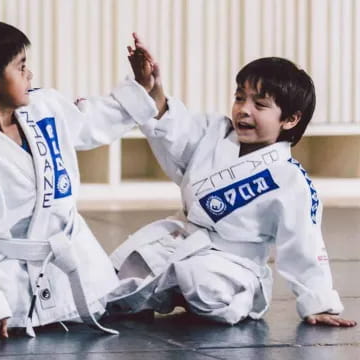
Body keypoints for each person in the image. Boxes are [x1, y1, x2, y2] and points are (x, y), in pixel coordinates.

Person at [0, 21, 159, 342]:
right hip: (11, 265)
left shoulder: (44, 106)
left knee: (107, 295)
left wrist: (139, 84)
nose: (31, 75)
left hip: (72, 254)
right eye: (21, 67)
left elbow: (88, 120)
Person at [107, 34, 357, 327]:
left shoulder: (290, 179)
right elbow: (173, 130)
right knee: (109, 284)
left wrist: (318, 302)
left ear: (290, 119)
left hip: (232, 263)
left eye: (260, 104)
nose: (244, 109)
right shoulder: (214, 132)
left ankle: (242, 294)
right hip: (181, 242)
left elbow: (304, 242)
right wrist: (153, 88)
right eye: (240, 98)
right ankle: (170, 290)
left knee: (205, 284)